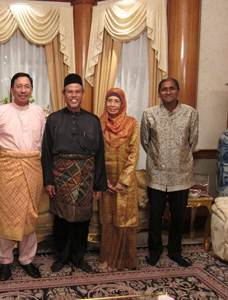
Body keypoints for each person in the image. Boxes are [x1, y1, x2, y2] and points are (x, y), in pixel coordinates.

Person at [41, 73, 107, 273]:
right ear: (63, 94)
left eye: (77, 91)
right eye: (70, 91)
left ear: (83, 94)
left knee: (82, 220)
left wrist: (98, 184)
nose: (74, 95)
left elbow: (100, 154)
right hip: (61, 176)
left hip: (86, 177)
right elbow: (46, 152)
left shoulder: (93, 120)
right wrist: (49, 180)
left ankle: (79, 257)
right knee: (61, 219)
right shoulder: (53, 119)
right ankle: (61, 257)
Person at [0, 72, 45, 281]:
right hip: (8, 167)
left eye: (27, 86)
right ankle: (4, 261)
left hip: (32, 166)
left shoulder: (39, 112)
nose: (23, 90)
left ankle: (27, 259)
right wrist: (8, 162)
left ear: (31, 90)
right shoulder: (0, 111)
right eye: (19, 86)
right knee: (6, 214)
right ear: (11, 90)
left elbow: (41, 141)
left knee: (30, 213)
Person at [140, 78, 199, 267]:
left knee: (177, 216)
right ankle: (155, 250)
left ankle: (175, 251)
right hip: (156, 173)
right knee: (155, 216)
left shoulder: (190, 113)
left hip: (181, 174)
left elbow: (193, 141)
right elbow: (145, 141)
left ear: (178, 91)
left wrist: (178, 158)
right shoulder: (149, 114)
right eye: (164, 89)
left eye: (171, 88)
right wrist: (159, 158)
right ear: (159, 93)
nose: (167, 92)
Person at [99, 88, 140, 271]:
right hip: (106, 182)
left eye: (116, 101)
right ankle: (107, 258)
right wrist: (103, 180)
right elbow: (96, 153)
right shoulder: (99, 123)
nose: (112, 105)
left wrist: (123, 181)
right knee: (108, 221)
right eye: (109, 101)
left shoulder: (132, 123)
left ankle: (124, 260)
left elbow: (134, 153)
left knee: (124, 220)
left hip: (126, 183)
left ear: (122, 103)